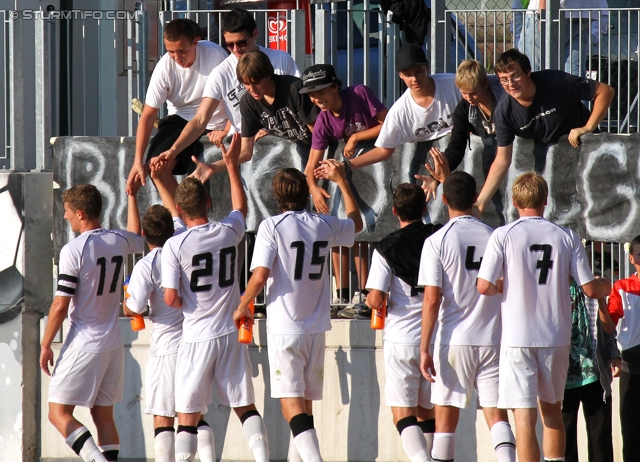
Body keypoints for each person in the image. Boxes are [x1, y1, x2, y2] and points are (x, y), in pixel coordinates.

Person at [476, 172, 611, 462]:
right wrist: (606, 285)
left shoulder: (503, 234)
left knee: (524, 419)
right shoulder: (566, 236)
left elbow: (484, 286)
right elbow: (589, 289)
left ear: (514, 202)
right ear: (546, 201)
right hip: (555, 336)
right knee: (552, 412)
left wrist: (506, 284)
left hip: (517, 338)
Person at [233, 163, 363, 462]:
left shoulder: (272, 226)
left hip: (285, 328)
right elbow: (356, 224)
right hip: (316, 329)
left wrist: (242, 304)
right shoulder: (324, 223)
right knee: (304, 407)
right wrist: (342, 182)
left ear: (276, 196)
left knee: (290, 406)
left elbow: (260, 274)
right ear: (307, 193)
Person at [161, 134, 270, 462]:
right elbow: (240, 208)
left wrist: (185, 302)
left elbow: (169, 298)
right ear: (209, 202)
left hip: (197, 336)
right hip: (229, 333)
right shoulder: (226, 231)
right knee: (245, 407)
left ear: (179, 210)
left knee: (187, 415)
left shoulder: (174, 245)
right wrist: (233, 167)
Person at [40, 183, 145, 462]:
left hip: (84, 341)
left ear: (81, 213)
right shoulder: (117, 239)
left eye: (67, 212)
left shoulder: (73, 249)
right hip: (112, 343)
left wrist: (46, 344)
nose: (65, 217)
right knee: (103, 415)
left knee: (58, 413)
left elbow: (61, 304)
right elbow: (137, 236)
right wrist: (132, 197)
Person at [419, 171, 516, 462]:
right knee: (497, 416)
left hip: (454, 340)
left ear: (444, 199)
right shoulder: (495, 236)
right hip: (492, 338)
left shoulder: (437, 241)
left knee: (445, 423)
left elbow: (432, 299)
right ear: (476, 199)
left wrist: (424, 348)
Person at [122, 177, 218, 462]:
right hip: (192, 340)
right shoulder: (181, 242)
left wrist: (127, 300)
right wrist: (159, 179)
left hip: (166, 347)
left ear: (143, 233)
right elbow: (175, 214)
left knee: (164, 417)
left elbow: (134, 308)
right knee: (194, 415)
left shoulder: (146, 265)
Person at [150, 8, 300, 176]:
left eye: (242, 42)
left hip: (284, 146)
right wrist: (173, 150)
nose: (236, 49)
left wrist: (272, 128)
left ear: (255, 33)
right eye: (229, 44)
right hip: (245, 151)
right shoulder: (220, 73)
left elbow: (299, 100)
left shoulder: (280, 59)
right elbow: (200, 120)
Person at [475, 49, 614, 214]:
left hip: (582, 149)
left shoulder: (556, 81)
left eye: (515, 76)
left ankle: (598, 241)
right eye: (504, 80)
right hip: (551, 162)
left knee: (596, 206)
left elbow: (605, 91)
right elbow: (502, 161)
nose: (511, 84)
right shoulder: (504, 112)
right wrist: (480, 203)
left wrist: (587, 128)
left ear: (528, 72)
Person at [300, 63, 388, 315]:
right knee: (346, 230)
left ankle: (366, 292)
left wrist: (355, 137)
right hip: (354, 179)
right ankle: (343, 295)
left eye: (322, 91)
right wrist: (313, 188)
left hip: (380, 175)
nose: (317, 99)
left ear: (336, 86)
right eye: (312, 95)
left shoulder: (359, 93)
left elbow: (388, 123)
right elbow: (310, 166)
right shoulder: (323, 120)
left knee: (370, 234)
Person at [363, 183, 439, 462]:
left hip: (401, 338)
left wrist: (370, 297)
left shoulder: (386, 247)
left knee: (401, 412)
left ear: (394, 211)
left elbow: (375, 299)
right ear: (425, 208)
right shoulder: (438, 235)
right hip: (434, 338)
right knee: (426, 409)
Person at [126, 18, 228, 197]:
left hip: (214, 119)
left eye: (182, 51)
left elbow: (234, 98)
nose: (177, 57)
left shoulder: (216, 55)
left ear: (196, 42)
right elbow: (148, 116)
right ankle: (180, 217)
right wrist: (137, 161)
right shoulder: (164, 67)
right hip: (181, 119)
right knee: (156, 168)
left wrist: (228, 127)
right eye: (171, 52)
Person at [344, 43, 460, 199]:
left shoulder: (453, 84)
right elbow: (383, 149)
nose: (414, 79)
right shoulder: (399, 111)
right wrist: (347, 165)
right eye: (407, 74)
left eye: (418, 71)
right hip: (430, 177)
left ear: (427, 67)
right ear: (400, 75)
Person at [188, 50, 319, 184]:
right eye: (245, 84)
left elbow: (319, 136)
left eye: (256, 82)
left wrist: (310, 173)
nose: (251, 89)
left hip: (320, 152)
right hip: (301, 158)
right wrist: (212, 167)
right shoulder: (248, 102)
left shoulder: (293, 89)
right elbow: (246, 152)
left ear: (268, 75)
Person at [427, 60, 506, 224]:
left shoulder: (505, 97)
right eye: (463, 93)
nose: (469, 98)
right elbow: (457, 145)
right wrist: (436, 174)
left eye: (473, 93)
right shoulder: (464, 109)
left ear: (485, 84)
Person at [561, 280, 620, 462]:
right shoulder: (553, 287)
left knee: (600, 441)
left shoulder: (592, 286)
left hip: (595, 376)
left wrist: (614, 355)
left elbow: (608, 329)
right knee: (565, 444)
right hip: (563, 380)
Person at [599, 234, 640, 462]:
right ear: (631, 258)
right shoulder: (622, 287)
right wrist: (599, 301)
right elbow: (610, 322)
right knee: (632, 434)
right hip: (631, 368)